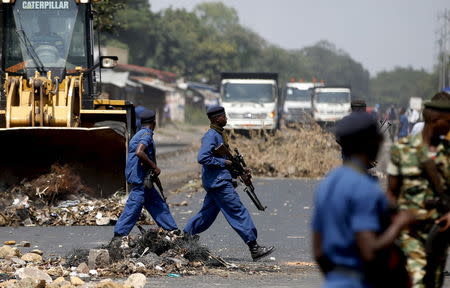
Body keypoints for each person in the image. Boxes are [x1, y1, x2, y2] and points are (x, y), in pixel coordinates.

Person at [312, 112, 414, 288]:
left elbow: (318, 251)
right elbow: (369, 251)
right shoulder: (365, 188)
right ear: (370, 142)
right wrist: (401, 223)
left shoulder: (328, 183)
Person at [183, 106, 275, 261]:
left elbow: (228, 161)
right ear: (216, 118)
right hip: (219, 183)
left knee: (206, 215)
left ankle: (185, 236)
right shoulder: (211, 136)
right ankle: (254, 247)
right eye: (224, 116)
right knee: (237, 212)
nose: (226, 118)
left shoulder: (219, 135)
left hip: (216, 182)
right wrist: (223, 162)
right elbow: (202, 158)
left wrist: (240, 170)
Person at [387, 92, 450, 288]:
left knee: (434, 282)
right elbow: (391, 192)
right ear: (436, 120)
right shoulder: (402, 150)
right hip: (409, 234)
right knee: (417, 281)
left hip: (439, 233)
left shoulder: (447, 152)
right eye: (448, 121)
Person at [113, 110, 178, 238]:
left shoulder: (139, 133)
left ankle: (172, 230)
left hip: (144, 180)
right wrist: (155, 167)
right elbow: (139, 152)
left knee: (158, 205)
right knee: (133, 209)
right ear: (154, 122)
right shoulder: (146, 135)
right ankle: (119, 236)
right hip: (140, 180)